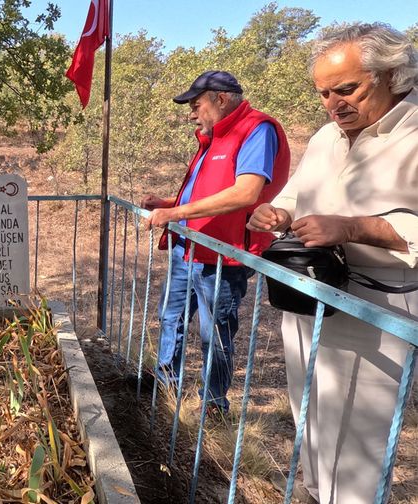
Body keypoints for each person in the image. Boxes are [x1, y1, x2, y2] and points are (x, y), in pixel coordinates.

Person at [248, 23, 418, 503]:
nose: (334, 104)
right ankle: (314, 491)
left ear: (393, 74)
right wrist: (278, 211)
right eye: (324, 93)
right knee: (312, 411)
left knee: (356, 431)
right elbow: (297, 193)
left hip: (380, 305)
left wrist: (354, 227)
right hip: (307, 292)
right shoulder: (327, 137)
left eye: (347, 89)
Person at [141, 70, 290, 414]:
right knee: (170, 317)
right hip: (189, 247)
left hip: (223, 255)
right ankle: (166, 383)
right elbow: (208, 192)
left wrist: (175, 214)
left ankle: (213, 405)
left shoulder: (256, 129)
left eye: (196, 104)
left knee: (215, 333)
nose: (192, 113)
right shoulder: (214, 136)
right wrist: (168, 206)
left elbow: (246, 192)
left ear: (220, 99)